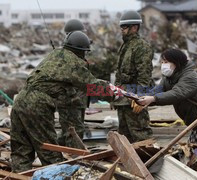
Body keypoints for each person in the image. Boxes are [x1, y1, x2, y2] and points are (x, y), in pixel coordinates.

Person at [10, 31, 114, 172]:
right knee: (50, 152)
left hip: (20, 100)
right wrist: (116, 94)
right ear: (82, 51)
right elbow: (92, 86)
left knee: (21, 150)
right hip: (37, 104)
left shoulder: (54, 55)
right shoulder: (74, 62)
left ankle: (19, 176)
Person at [137, 49, 197, 145]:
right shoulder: (169, 77)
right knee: (196, 149)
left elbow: (177, 93)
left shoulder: (189, 77)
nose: (163, 65)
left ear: (177, 62)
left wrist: (153, 99)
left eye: (167, 62)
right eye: (162, 62)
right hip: (196, 121)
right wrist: (141, 97)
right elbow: (158, 91)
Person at [113, 10, 153, 143]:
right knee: (125, 136)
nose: (122, 30)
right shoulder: (126, 46)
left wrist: (140, 98)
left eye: (124, 27)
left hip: (134, 98)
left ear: (134, 28)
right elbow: (119, 73)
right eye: (121, 27)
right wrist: (116, 95)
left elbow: (144, 74)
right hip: (123, 98)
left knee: (140, 134)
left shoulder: (141, 46)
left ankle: (149, 162)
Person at [57, 19, 87, 148]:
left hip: (80, 98)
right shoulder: (67, 55)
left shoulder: (76, 52)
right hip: (71, 99)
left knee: (74, 128)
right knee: (73, 129)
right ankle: (72, 153)